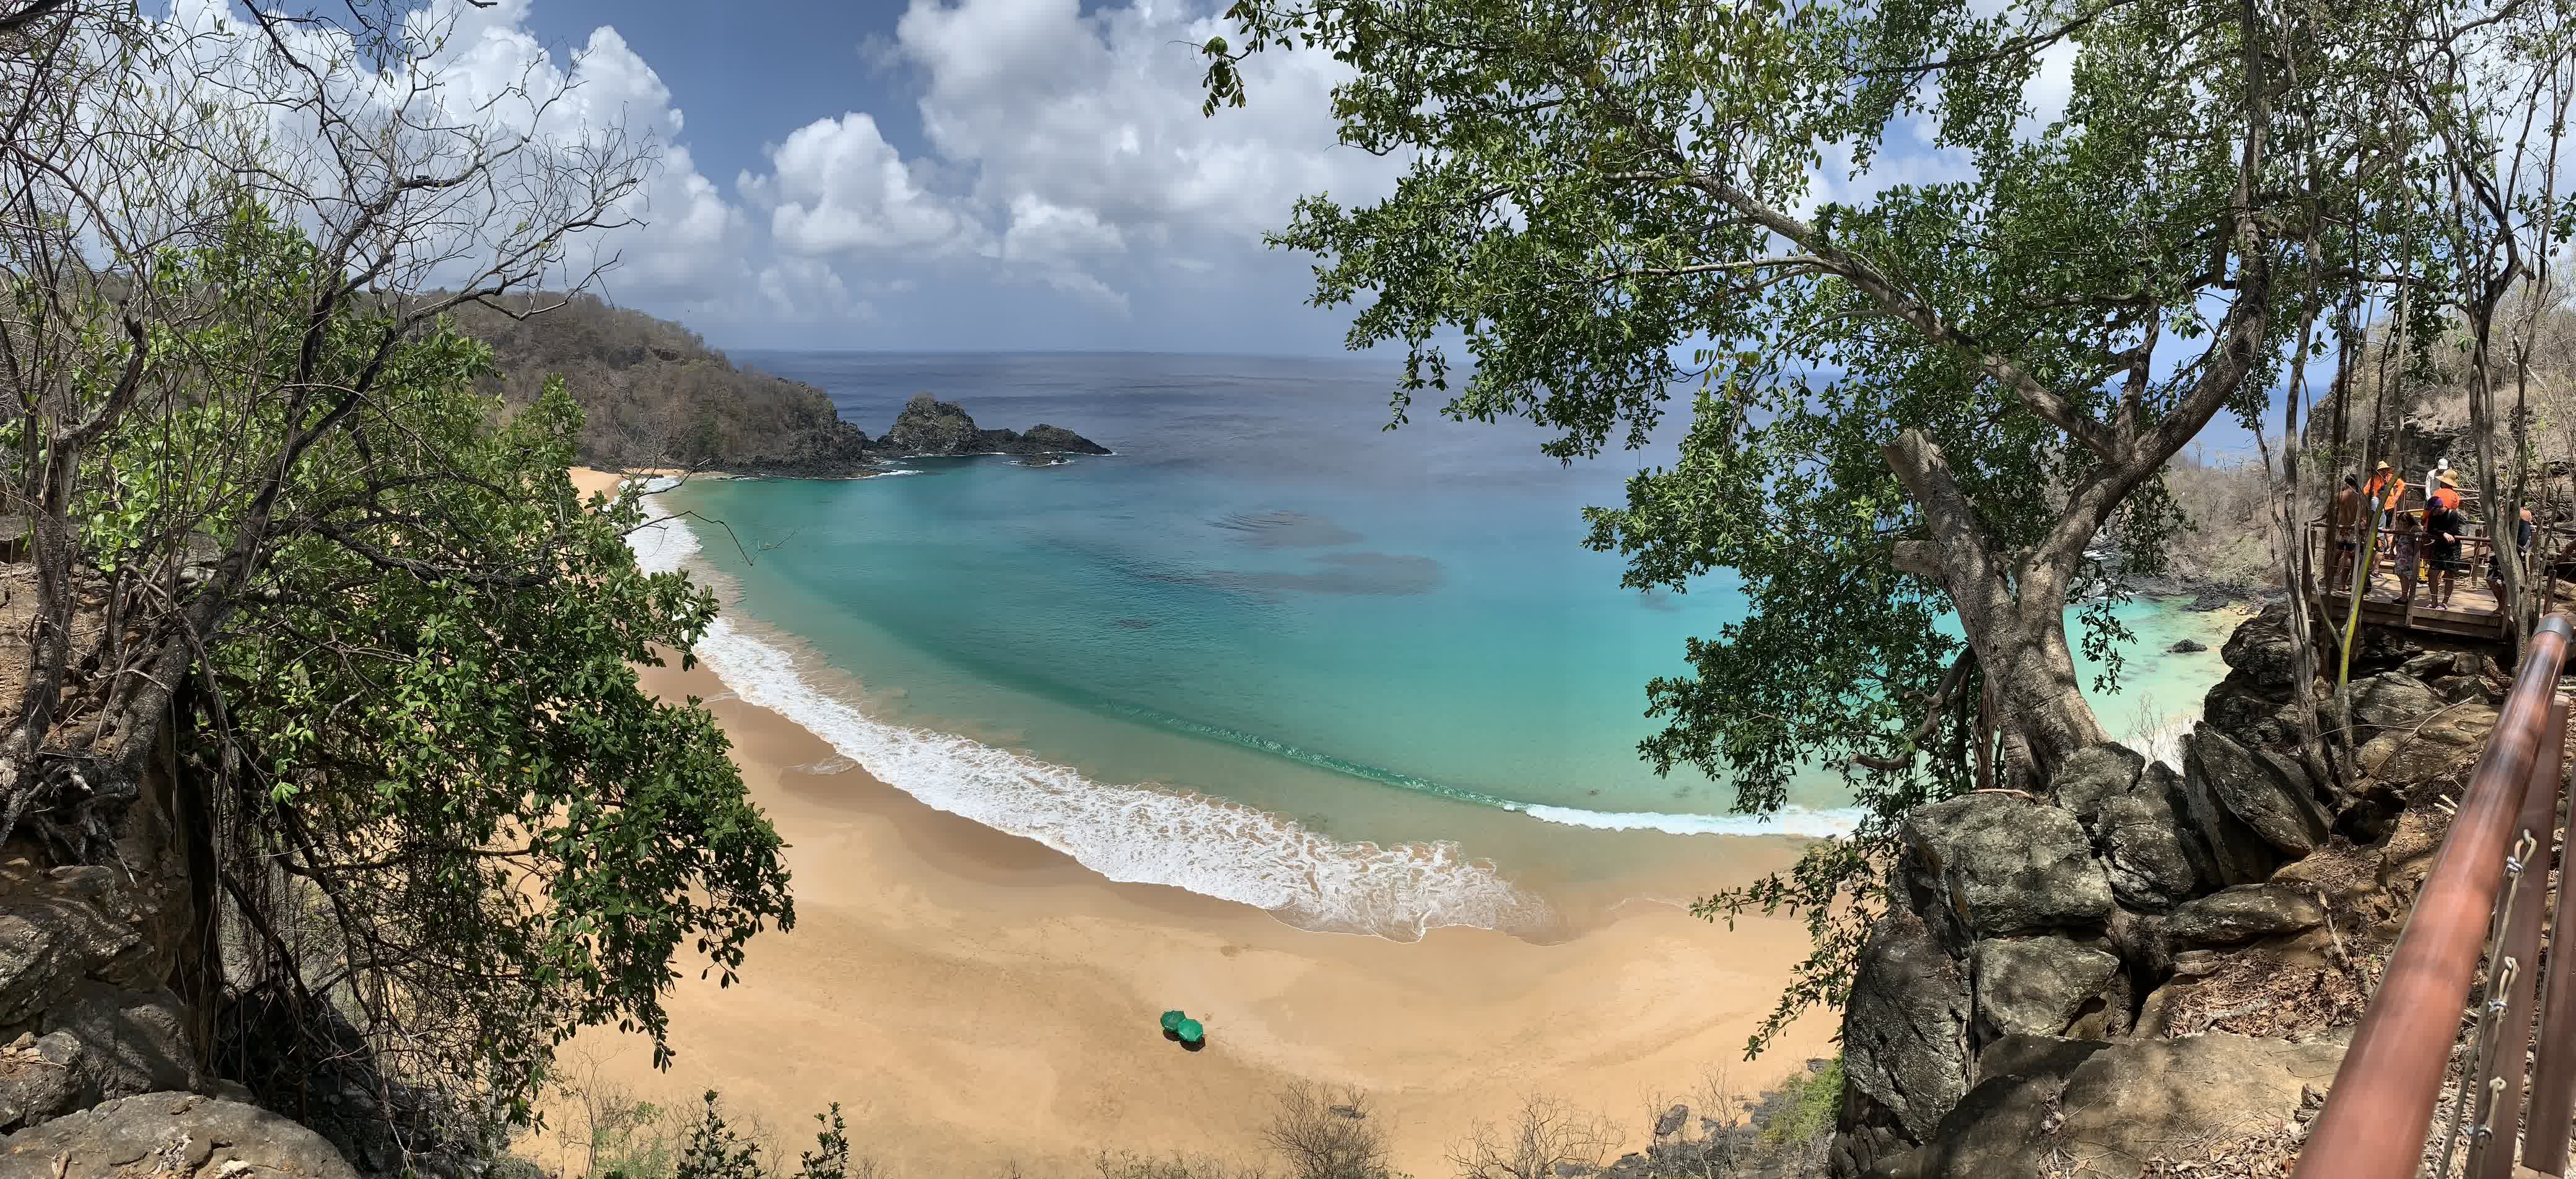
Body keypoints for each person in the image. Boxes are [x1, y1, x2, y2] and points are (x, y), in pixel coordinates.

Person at [2425, 475, 2466, 609]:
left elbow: (2453, 530)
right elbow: (2431, 529)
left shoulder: (2453, 514)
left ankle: (2445, 602)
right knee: (2432, 573)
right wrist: (2442, 533)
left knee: (2449, 576)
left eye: (2434, 511)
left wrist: (2443, 532)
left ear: (2440, 508)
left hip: (2452, 548)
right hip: (2439, 546)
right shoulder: (2433, 514)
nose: (2433, 514)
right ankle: (2434, 600)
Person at [2388, 510, 2422, 623]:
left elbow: (2421, 536)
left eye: (2405, 522)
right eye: (2401, 522)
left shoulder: (2414, 529)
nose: (2403, 524)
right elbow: (2395, 538)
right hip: (2400, 555)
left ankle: (2405, 597)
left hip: (2409, 556)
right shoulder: (2399, 528)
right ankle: (2403, 595)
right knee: (2399, 574)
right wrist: (2391, 550)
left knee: (2406, 576)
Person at [2330, 475, 2363, 591]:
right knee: (2349, 555)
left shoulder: (2340, 495)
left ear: (2346, 482)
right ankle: (2343, 584)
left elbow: (2330, 512)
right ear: (2356, 483)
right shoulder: (2359, 498)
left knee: (2337, 554)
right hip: (2352, 530)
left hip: (2340, 528)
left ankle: (2330, 581)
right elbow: (2362, 517)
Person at [2364, 460, 2406, 528]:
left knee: (2387, 527)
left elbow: (2402, 484)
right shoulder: (2374, 479)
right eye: (2381, 470)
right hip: (2378, 506)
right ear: (2379, 471)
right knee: (2377, 526)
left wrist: (2396, 497)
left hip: (2390, 505)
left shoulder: (2392, 477)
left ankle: (2384, 538)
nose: (2384, 471)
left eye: (2385, 469)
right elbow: (2365, 490)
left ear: (2388, 470)